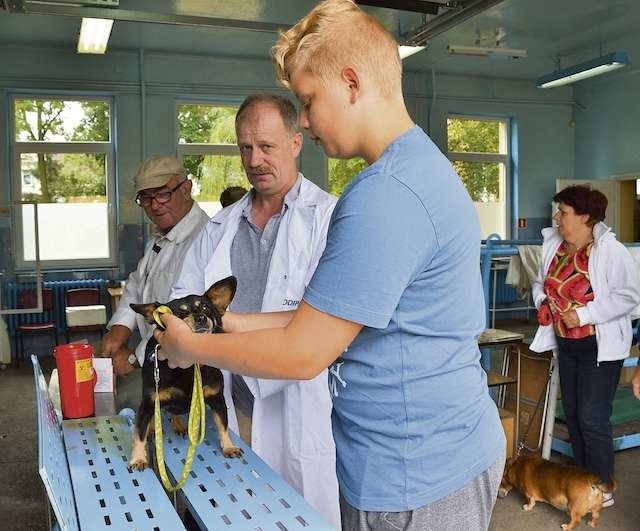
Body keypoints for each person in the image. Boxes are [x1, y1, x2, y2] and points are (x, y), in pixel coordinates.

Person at [156, 2, 505, 530]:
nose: (309, 122)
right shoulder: (419, 167)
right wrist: (233, 322)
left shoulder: (383, 194)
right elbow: (333, 315)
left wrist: (191, 346)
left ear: (351, 83)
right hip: (437, 452)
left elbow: (303, 353)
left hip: (414, 474)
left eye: (309, 101)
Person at [170, 93, 339, 528]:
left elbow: (326, 318)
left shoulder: (326, 218)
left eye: (267, 146)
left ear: (296, 142)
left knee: (302, 511)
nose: (255, 159)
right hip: (231, 395)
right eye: (245, 148)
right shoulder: (221, 225)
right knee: (237, 510)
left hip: (301, 399)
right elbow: (181, 300)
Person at [530, 185, 640, 508]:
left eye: (563, 212)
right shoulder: (555, 246)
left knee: (592, 416)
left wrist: (585, 314)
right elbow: (540, 282)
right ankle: (581, 483)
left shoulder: (611, 251)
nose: (556, 218)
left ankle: (602, 488)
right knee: (575, 414)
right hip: (567, 343)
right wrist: (542, 301)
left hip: (598, 345)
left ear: (585, 217)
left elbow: (629, 296)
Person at [101, 155, 209, 377]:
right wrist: (121, 326)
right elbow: (138, 282)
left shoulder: (205, 239)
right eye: (146, 197)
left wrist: (136, 357)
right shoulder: (160, 237)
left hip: (191, 369)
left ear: (186, 189)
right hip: (161, 361)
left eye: (162, 194)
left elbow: (181, 313)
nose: (154, 205)